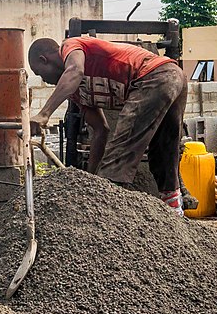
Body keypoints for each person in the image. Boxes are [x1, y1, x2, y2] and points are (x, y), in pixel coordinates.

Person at [27, 36, 187, 215]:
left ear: (44, 59)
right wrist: (91, 179)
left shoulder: (70, 46)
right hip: (172, 76)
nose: (44, 80)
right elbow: (100, 130)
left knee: (119, 155)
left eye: (39, 73)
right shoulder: (78, 93)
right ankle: (174, 211)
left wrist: (44, 114)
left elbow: (74, 71)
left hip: (156, 74)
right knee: (163, 150)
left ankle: (107, 217)